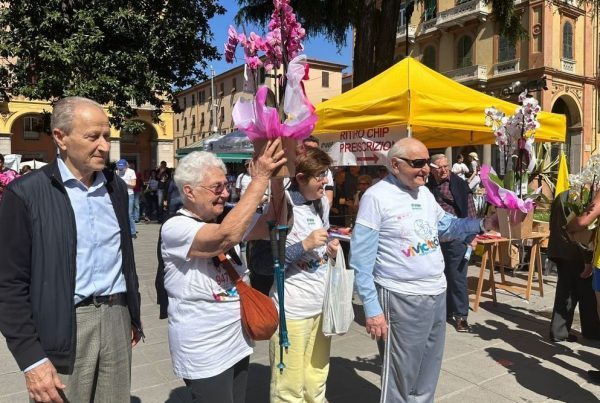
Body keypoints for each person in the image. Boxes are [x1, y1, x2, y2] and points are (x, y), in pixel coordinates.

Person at [0, 96, 143, 402]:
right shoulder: (26, 193)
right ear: (60, 138)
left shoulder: (115, 187)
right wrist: (31, 359)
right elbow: (9, 283)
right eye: (93, 137)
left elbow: (124, 257)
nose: (104, 146)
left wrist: (131, 313)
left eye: (106, 135)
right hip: (63, 325)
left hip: (116, 318)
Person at [350, 138, 497, 403]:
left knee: (428, 371)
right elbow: (361, 261)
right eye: (417, 163)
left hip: (436, 292)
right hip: (400, 296)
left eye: (427, 162)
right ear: (395, 164)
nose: (426, 169)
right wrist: (372, 310)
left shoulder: (425, 194)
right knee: (400, 376)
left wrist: (485, 223)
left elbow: (448, 228)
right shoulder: (376, 197)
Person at [159, 141, 285, 403]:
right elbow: (225, 237)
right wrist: (258, 179)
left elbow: (276, 222)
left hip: (237, 340)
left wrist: (275, 180)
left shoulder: (226, 216)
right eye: (217, 188)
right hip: (204, 349)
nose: (226, 194)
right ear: (189, 192)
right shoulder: (175, 227)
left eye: (226, 185)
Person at [269, 147, 339, 403]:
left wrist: (329, 248)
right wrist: (306, 245)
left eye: (326, 174)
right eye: (319, 175)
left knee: (317, 375)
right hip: (292, 310)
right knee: (289, 384)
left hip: (321, 306)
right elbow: (271, 262)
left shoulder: (321, 204)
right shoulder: (282, 206)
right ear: (300, 178)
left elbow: (323, 240)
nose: (325, 181)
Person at [426, 154, 478, 332]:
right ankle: (444, 311)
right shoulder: (427, 185)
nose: (443, 170)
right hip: (434, 239)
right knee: (438, 276)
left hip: (456, 238)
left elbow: (470, 210)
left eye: (446, 166)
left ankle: (461, 316)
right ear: (432, 168)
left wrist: (472, 236)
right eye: (439, 167)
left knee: (457, 277)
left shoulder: (459, 184)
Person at [548, 191, 600, 343]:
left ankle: (559, 331)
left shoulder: (564, 195)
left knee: (566, 290)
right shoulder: (581, 195)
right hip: (576, 251)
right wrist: (587, 259)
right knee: (584, 293)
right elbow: (582, 223)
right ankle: (591, 331)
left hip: (561, 249)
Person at [299, 135, 334, 206]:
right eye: (308, 148)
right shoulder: (292, 169)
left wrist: (322, 213)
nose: (312, 152)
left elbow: (329, 198)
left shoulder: (327, 171)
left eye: (315, 149)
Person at [117, 159, 137, 238]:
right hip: (119, 194)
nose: (120, 169)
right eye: (119, 167)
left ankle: (133, 232)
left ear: (126, 166)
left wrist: (124, 184)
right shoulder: (117, 172)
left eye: (122, 168)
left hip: (129, 194)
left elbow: (133, 185)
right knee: (120, 213)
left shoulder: (131, 172)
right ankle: (122, 230)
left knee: (129, 214)